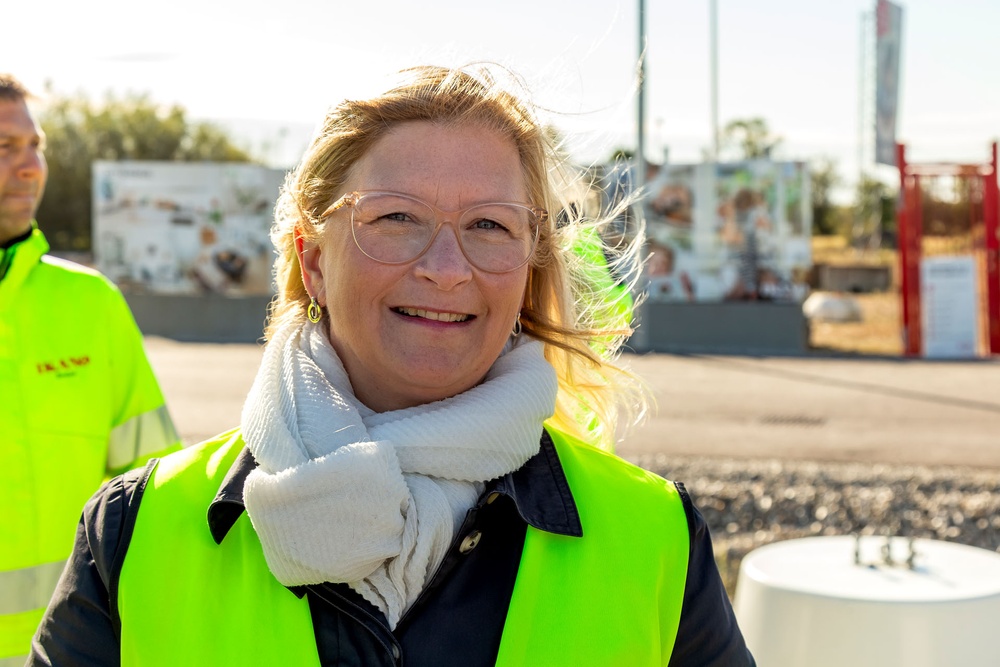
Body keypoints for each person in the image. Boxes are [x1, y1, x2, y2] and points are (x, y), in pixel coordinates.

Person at [31, 64, 754, 665]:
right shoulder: (135, 533)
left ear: (527, 268)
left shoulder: (654, 537)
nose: (445, 268)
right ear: (313, 260)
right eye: (396, 218)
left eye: (489, 227)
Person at [0, 74, 182, 666]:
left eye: (36, 146)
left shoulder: (92, 304)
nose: (30, 168)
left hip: (73, 651)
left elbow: (157, 493)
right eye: (5, 148)